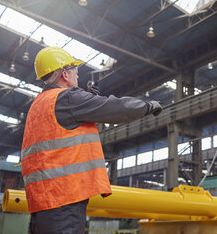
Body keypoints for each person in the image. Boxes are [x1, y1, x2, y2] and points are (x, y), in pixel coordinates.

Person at [21, 46, 162, 234]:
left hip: (42, 201)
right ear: (65, 75)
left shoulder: (38, 105)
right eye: (75, 72)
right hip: (65, 197)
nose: (77, 77)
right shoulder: (67, 97)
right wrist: (146, 106)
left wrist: (86, 102)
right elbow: (114, 107)